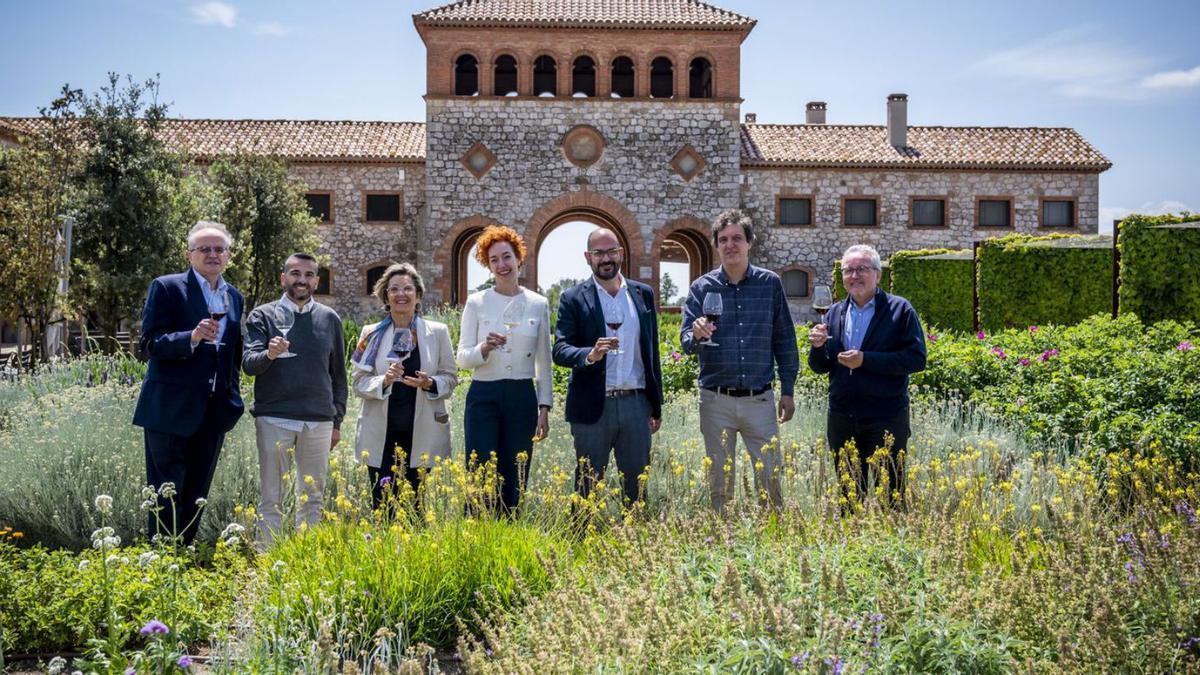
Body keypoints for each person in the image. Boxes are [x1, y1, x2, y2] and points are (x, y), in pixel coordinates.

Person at [133, 221, 245, 545]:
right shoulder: (167, 287)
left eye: (219, 249)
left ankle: (183, 554)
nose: (213, 254)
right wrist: (191, 337)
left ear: (228, 255)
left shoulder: (234, 297)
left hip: (214, 412)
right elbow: (149, 344)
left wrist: (232, 397)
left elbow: (233, 354)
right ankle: (161, 558)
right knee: (164, 490)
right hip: (168, 410)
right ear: (189, 254)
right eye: (205, 249)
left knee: (197, 492)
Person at [681, 209, 798, 513]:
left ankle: (771, 545)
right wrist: (695, 334)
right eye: (723, 240)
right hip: (715, 401)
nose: (730, 245)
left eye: (736, 238)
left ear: (749, 243)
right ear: (716, 246)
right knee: (720, 485)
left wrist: (788, 390)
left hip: (759, 400)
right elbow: (686, 343)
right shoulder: (701, 288)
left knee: (770, 484)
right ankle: (724, 544)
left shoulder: (770, 284)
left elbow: (784, 339)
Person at [808, 244, 926, 508]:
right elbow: (821, 366)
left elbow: (916, 359)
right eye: (848, 270)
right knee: (849, 498)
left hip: (885, 417)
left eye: (862, 269)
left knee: (891, 496)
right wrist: (817, 348)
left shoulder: (899, 309)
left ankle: (890, 545)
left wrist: (866, 360)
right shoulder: (835, 312)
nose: (854, 276)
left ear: (878, 274)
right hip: (842, 418)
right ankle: (852, 545)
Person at [241, 253, 347, 545]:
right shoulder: (262, 315)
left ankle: (306, 559)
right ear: (283, 277)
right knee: (271, 497)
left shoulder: (330, 318)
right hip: (275, 417)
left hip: (319, 421)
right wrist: (270, 354)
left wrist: (336, 420)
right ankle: (267, 560)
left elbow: (338, 375)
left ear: (316, 280)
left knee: (313, 499)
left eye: (309, 274)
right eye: (295, 273)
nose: (302, 280)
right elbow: (249, 364)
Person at [553, 228, 663, 505]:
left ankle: (636, 544)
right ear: (588, 257)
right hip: (592, 408)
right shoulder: (573, 298)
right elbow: (560, 349)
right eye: (599, 253)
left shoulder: (643, 294)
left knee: (637, 491)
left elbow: (652, 352)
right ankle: (578, 545)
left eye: (611, 251)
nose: (606, 258)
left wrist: (655, 405)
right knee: (587, 489)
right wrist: (590, 355)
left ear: (621, 254)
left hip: (636, 406)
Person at [457, 225, 552, 514]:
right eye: (494, 260)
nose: (502, 265)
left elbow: (543, 361)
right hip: (483, 395)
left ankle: (509, 532)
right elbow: (462, 358)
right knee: (481, 472)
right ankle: (476, 535)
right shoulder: (476, 302)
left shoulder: (538, 303)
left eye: (507, 257)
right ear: (488, 266)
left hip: (522, 396)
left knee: (516, 471)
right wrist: (484, 349)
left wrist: (544, 406)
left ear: (518, 258)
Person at [351, 263, 458, 510]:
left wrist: (430, 383)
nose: (401, 294)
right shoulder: (370, 333)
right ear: (386, 296)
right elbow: (357, 383)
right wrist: (383, 380)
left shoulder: (438, 332)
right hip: (381, 434)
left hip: (422, 432)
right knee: (382, 505)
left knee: (416, 507)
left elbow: (450, 378)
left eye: (408, 289)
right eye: (394, 289)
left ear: (418, 296)